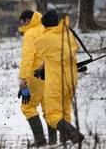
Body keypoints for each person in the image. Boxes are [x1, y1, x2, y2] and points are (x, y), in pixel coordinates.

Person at [34, 10, 84, 144]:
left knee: (52, 115)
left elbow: (38, 46)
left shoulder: (47, 38)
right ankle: (65, 140)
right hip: (71, 81)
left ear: (46, 25)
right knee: (65, 112)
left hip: (56, 82)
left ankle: (72, 132)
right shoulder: (68, 34)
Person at [17, 10, 57, 147]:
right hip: (50, 74)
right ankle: (53, 141)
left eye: (22, 21)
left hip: (35, 76)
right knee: (49, 109)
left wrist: (23, 78)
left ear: (28, 20)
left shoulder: (30, 34)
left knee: (27, 107)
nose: (21, 24)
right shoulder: (45, 28)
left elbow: (28, 57)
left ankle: (40, 140)